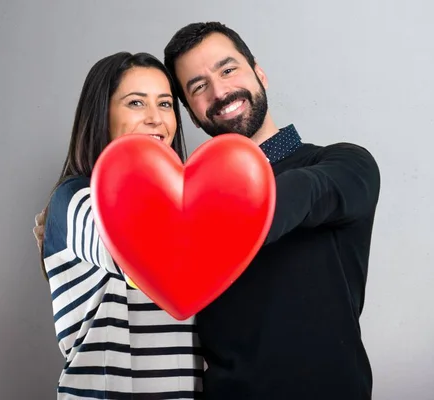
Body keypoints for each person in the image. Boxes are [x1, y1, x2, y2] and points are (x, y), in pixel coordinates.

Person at [161, 22, 381, 399]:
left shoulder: (344, 163)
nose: (220, 91)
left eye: (228, 69)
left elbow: (305, 193)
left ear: (258, 73)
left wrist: (208, 212)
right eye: (198, 87)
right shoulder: (188, 203)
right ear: (193, 114)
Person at [37, 51, 203, 399]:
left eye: (165, 104)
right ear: (103, 115)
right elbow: (140, 259)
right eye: (136, 103)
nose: (156, 119)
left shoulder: (182, 209)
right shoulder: (77, 197)